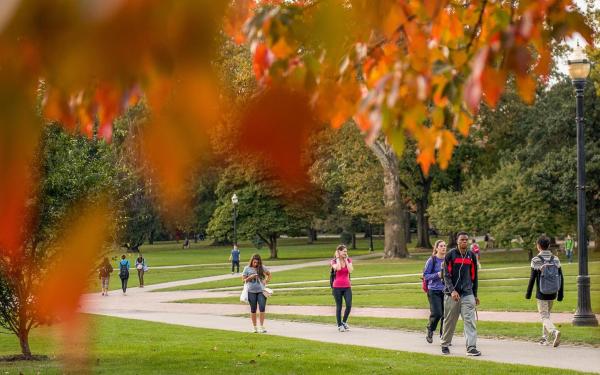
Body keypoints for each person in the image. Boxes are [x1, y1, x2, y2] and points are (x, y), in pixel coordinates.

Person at [441, 232, 481, 356]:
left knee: (470, 320)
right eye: (462, 240)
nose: (464, 242)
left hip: (467, 293)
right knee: (450, 321)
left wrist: (474, 294)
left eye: (466, 240)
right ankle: (445, 343)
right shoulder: (450, 255)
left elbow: (474, 276)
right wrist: (452, 290)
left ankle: (471, 347)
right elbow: (446, 275)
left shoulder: (471, 255)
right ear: (457, 241)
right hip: (452, 295)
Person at [526, 236, 564, 347]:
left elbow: (532, 278)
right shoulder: (555, 259)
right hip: (553, 292)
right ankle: (544, 339)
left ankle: (554, 332)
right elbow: (561, 277)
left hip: (541, 293)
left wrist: (528, 294)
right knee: (547, 315)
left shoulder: (536, 260)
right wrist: (560, 293)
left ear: (538, 246)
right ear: (548, 246)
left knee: (544, 317)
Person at [423, 240, 446, 343]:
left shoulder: (448, 260)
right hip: (434, 290)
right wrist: (437, 275)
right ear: (436, 248)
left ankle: (444, 336)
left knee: (446, 315)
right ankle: (430, 328)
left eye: (445, 246)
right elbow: (426, 276)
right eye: (441, 246)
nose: (443, 248)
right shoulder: (432, 260)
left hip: (446, 291)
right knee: (437, 313)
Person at [242, 254, 272, 333]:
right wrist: (250, 277)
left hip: (261, 291)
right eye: (254, 262)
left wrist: (266, 281)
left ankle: (261, 327)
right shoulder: (247, 268)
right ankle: (254, 327)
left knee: (262, 307)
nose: (255, 264)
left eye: (257, 263)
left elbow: (269, 274)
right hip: (251, 291)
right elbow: (243, 280)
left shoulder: (262, 267)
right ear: (251, 261)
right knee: (253, 309)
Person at [331, 244, 353, 332]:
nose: (345, 253)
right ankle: (339, 325)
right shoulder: (333, 261)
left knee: (349, 305)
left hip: (347, 286)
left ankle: (344, 322)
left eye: (346, 251)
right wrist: (337, 258)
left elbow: (351, 270)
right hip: (337, 287)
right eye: (344, 251)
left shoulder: (348, 260)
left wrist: (346, 260)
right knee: (339, 306)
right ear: (339, 252)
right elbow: (338, 268)